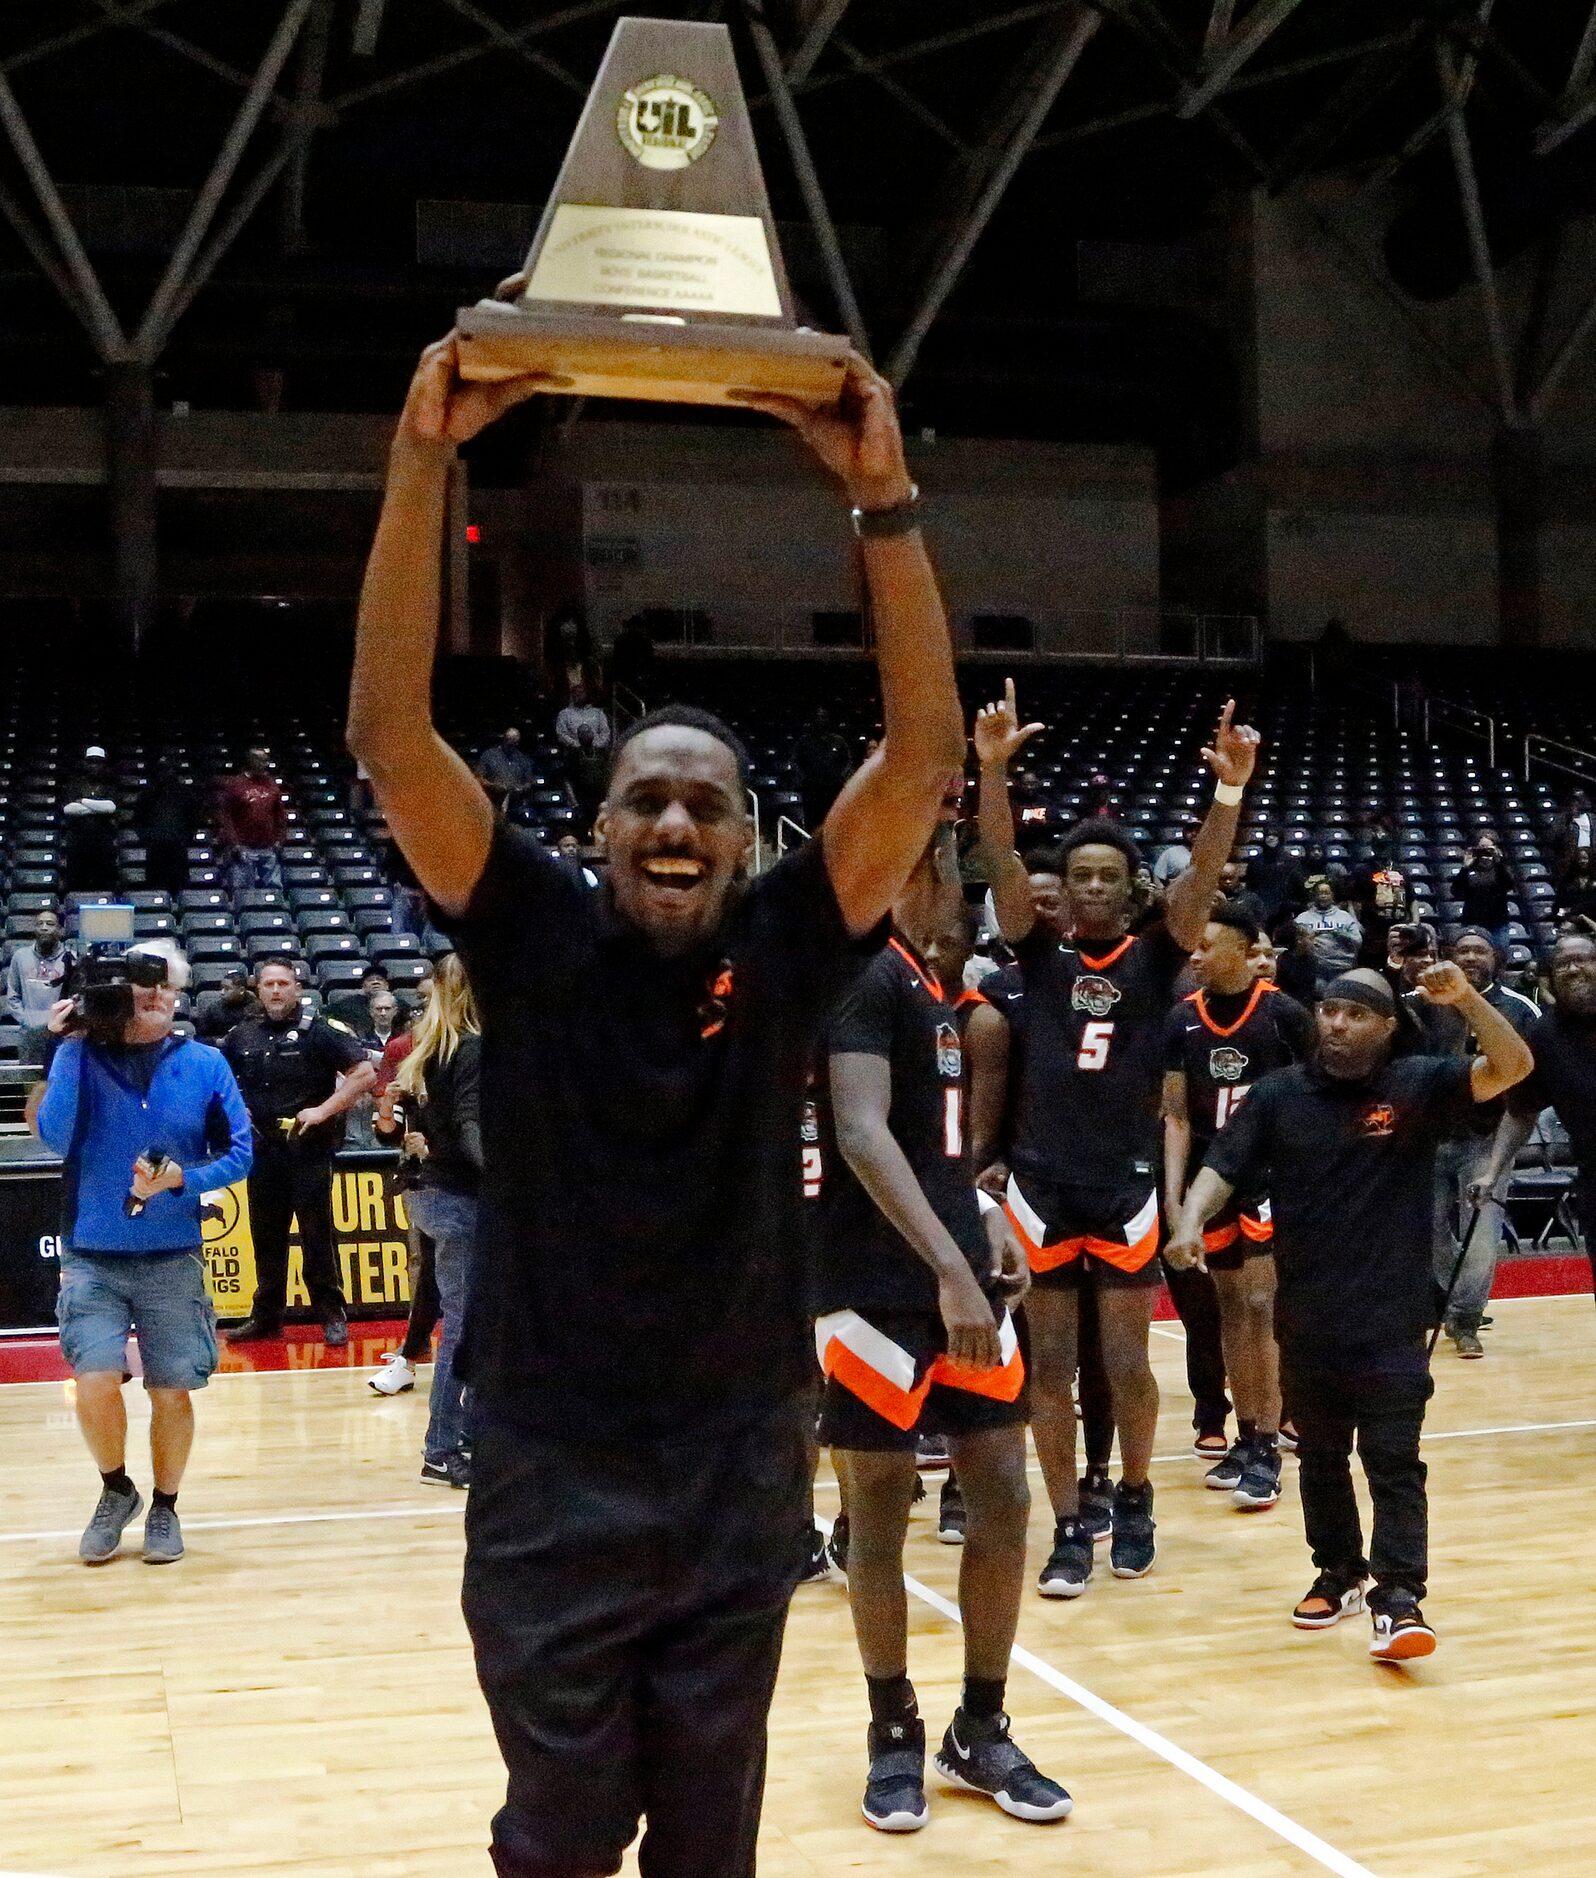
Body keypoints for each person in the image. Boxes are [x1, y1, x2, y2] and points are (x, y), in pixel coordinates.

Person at [347, 325, 965, 1877]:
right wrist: (425, 458)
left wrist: (885, 507)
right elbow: (387, 736)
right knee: (558, 1840)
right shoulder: (531, 922)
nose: (677, 820)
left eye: (708, 801)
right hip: (552, 1464)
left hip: (740, 1463)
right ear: (599, 824)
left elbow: (922, 759)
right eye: (647, 797)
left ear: (749, 837)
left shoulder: (788, 938)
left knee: (710, 1849)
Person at [974, 676, 1260, 1598]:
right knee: (1048, 1368)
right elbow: (1002, 860)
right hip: (1042, 1178)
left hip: (1125, 1178)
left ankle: (1134, 1493)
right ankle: (1068, 1523)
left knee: (1129, 1362)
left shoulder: (1156, 949)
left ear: (1129, 886)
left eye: (1108, 876)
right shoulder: (1035, 948)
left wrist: (1227, 791)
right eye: (1080, 876)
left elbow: (1204, 879)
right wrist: (991, 774)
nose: (1091, 889)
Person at [1168, 963, 1532, 1662]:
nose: (1336, 1023)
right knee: (1323, 1459)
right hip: (1306, 1317)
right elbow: (1223, 1166)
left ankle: (1399, 1599)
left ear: (1387, 1028)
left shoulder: (1417, 1086)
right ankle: (1338, 1571)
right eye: (1330, 1010)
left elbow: (1512, 1065)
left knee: (1394, 1460)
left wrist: (1467, 999)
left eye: (1356, 1014)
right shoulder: (1278, 1096)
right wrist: (1188, 1219)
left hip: (1393, 1319)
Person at [815, 849, 1070, 1831]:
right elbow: (862, 1132)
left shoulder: (933, 983)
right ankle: (893, 1730)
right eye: (942, 862)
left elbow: (937, 1147)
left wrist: (986, 1222)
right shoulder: (863, 971)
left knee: (1003, 1495)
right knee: (878, 1516)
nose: (959, 885)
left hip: (967, 1280)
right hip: (874, 1291)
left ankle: (984, 1724)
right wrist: (952, 1271)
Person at [32, 941, 252, 1565]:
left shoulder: (205, 1062)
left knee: (171, 1391)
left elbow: (241, 1153)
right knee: (94, 1380)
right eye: (142, 986)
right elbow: (53, 1135)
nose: (157, 996)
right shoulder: (81, 1055)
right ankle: (115, 1489)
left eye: (168, 988)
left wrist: (183, 1179)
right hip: (91, 1252)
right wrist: (67, 1044)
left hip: (172, 1252)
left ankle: (165, 1506)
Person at [1162, 906, 1315, 1508]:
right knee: (1228, 1310)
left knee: (1261, 1305)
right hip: (1212, 1177)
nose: (1195, 956)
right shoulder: (1181, 1020)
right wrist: (1178, 1204)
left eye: (1207, 945)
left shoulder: (1283, 1015)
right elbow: (1175, 1115)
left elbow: (1316, 1101)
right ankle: (1249, 1431)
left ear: (1248, 950)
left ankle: (1268, 1444)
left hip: (1272, 1177)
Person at [219, 959, 376, 1347]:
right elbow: (220, 1081)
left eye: (283, 984)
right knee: (266, 1235)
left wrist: (324, 1110)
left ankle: (330, 1314)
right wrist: (237, 1107)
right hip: (262, 1149)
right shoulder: (242, 1035)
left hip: (309, 1148)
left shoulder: (319, 1032)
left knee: (316, 1234)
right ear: (258, 989)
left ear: (297, 988)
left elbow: (365, 1074)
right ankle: (267, 1316)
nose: (275, 990)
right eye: (268, 984)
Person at [374, 954, 481, 1487]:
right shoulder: (473, 1048)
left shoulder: (429, 1047)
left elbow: (408, 1127)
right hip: (461, 1197)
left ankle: (467, 1439)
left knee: (471, 1322)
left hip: (429, 1193)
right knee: (466, 1327)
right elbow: (470, 1134)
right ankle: (442, 1449)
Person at [1425, 929, 1540, 1357]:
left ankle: (1467, 1318)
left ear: (1497, 957)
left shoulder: (1519, 1007)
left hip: (1486, 1138)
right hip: (1429, 1136)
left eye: (1480, 950)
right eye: (1463, 950)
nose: (1471, 956)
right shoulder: (1427, 1004)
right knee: (1431, 1233)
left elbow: (1528, 1075)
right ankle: (1446, 1304)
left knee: (1482, 1236)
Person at [1475, 928, 1596, 1299]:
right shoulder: (1544, 1037)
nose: (1574, 968)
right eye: (1563, 963)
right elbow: (1522, 1111)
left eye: (1584, 959)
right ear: (1549, 978)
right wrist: (1493, 1171)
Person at [5, 907, 75, 1069]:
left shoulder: (70, 958)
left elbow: (75, 997)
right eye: (40, 924)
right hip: (30, 1035)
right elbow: (13, 996)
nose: (44, 927)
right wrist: (27, 1020)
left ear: (59, 930)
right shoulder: (20, 957)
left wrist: (61, 1021)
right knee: (31, 1089)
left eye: (50, 924)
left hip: (60, 1034)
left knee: (58, 1083)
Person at [217, 747, 287, 900]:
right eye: (261, 760)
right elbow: (226, 816)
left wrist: (280, 840)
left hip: (268, 848)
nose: (265, 764)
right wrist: (234, 843)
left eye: (266, 760)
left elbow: (280, 815)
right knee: (243, 894)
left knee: (273, 892)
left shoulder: (271, 784)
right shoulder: (236, 785)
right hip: (244, 848)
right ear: (251, 761)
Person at [132, 758, 201, 902]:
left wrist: (185, 838)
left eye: (170, 769)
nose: (166, 773)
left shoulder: (185, 794)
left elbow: (193, 819)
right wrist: (148, 838)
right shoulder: (147, 794)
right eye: (163, 770)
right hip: (155, 850)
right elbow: (138, 820)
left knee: (179, 889)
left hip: (178, 849)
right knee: (155, 890)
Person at [61, 745, 120, 894]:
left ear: (103, 765)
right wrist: (97, 807)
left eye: (98, 762)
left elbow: (110, 807)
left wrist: (83, 801)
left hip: (103, 842)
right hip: (78, 841)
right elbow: (69, 809)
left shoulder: (110, 785)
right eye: (91, 762)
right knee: (77, 883)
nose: (94, 766)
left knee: (104, 883)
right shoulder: (74, 784)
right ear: (85, 764)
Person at [792, 706, 855, 835]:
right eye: (818, 717)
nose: (820, 720)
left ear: (828, 719)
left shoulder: (839, 741)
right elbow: (795, 763)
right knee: (813, 828)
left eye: (823, 717)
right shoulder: (804, 742)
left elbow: (848, 762)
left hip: (833, 790)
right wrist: (805, 779)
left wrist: (840, 777)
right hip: (812, 792)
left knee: (834, 824)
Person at [1450, 834, 1516, 954]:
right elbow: (1456, 891)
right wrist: (1464, 868)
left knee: (1499, 956)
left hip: (1497, 923)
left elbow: (1509, 885)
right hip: (1472, 922)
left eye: (1489, 849)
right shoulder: (1469, 869)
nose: (1485, 853)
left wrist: (1498, 862)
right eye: (1482, 848)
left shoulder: (1500, 869)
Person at [1295, 880, 1362, 988]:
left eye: (1326, 893)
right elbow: (1295, 946)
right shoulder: (1303, 918)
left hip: (1342, 968)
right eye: (1320, 893)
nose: (1323, 896)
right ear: (1314, 896)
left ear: (1332, 895)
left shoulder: (1345, 917)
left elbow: (1358, 941)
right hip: (1314, 970)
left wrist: (1342, 934)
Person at [1353, 844, 1410, 966]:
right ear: (1374, 847)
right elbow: (1355, 900)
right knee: (1373, 965)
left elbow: (1411, 898)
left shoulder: (1401, 870)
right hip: (1373, 927)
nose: (1382, 850)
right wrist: (1357, 922)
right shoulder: (1364, 869)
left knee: (1399, 963)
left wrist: (1415, 921)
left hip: (1399, 924)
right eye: (1379, 846)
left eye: (1384, 846)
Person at [1244, 830, 1303, 930]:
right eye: (1268, 835)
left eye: (1274, 835)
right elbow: (1250, 886)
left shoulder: (1291, 861)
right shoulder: (1255, 862)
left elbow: (1298, 886)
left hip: (1285, 909)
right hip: (1261, 908)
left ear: (1280, 838)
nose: (1271, 838)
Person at [192, 963, 260, 1043]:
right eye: (222, 988)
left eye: (227, 989)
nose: (222, 992)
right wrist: (217, 1041)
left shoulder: (257, 1007)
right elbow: (199, 1038)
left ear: (241, 990)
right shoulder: (214, 1009)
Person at [475, 727, 537, 812]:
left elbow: (529, 782)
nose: (511, 746)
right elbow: (478, 778)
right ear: (504, 739)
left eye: (514, 743)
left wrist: (520, 789)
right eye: (509, 742)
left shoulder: (523, 759)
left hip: (515, 804)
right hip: (492, 801)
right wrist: (494, 786)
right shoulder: (489, 755)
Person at [554, 678, 612, 757]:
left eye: (581, 693)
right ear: (572, 695)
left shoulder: (597, 712)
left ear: (586, 694)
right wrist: (576, 745)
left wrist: (596, 745)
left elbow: (605, 732)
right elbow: (561, 734)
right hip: (573, 753)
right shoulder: (564, 714)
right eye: (576, 693)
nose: (578, 695)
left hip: (596, 752)